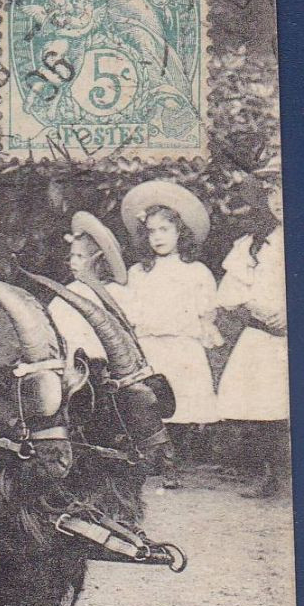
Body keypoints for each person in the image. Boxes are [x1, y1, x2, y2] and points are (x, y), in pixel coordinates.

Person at [119, 179, 220, 485]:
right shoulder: (138, 273)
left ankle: (178, 460)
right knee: (151, 402)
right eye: (151, 231)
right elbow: (130, 311)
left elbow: (206, 311)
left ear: (180, 233)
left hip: (181, 346)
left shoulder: (195, 272)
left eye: (165, 230)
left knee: (184, 400)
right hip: (151, 346)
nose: (158, 237)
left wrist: (201, 328)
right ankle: (160, 460)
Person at [215, 159, 289, 497]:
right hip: (265, 334)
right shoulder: (257, 243)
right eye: (273, 190)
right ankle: (268, 474)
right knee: (262, 404)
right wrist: (254, 308)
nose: (278, 198)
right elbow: (232, 291)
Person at [45, 211, 130, 362]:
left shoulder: (115, 292)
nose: (73, 262)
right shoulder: (68, 292)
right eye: (71, 256)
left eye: (80, 257)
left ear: (98, 260)